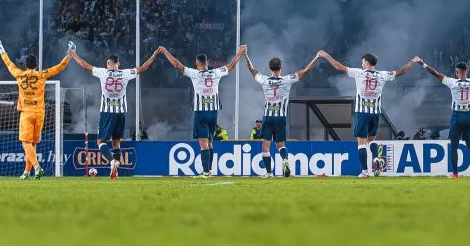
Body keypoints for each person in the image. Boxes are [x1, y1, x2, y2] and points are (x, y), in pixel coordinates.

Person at [318, 50, 421, 178]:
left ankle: (365, 172)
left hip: (362, 112)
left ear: (366, 63)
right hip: (375, 113)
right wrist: (413, 61)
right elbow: (401, 72)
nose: (361, 65)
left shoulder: (359, 73)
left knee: (361, 142)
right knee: (371, 139)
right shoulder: (382, 75)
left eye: (362, 62)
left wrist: (325, 55)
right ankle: (376, 159)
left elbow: (338, 67)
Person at [67, 47, 160, 180]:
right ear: (118, 64)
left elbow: (84, 65)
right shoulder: (125, 73)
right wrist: (155, 54)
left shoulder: (103, 72)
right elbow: (143, 67)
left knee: (100, 142)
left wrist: (73, 54)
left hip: (107, 112)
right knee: (116, 143)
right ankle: (115, 172)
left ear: (108, 63)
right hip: (121, 113)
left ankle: (112, 161)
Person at [159, 46, 244, 179]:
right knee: (210, 143)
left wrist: (165, 52)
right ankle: (209, 171)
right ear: (207, 63)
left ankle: (205, 173)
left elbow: (177, 64)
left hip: (201, 113)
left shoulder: (194, 73)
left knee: (203, 144)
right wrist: (240, 52)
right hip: (214, 112)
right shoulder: (216, 72)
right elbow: (232, 65)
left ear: (197, 64)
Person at [0, 38, 71, 180]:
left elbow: (8, 63)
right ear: (36, 65)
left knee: (25, 143)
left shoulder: (19, 74)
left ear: (25, 65)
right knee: (33, 144)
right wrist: (69, 55)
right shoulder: (42, 75)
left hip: (26, 113)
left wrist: (1, 49)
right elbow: (59, 67)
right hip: (40, 113)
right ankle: (26, 172)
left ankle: (37, 168)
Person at [242, 47, 321, 178]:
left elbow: (252, 70)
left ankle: (269, 173)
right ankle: (284, 160)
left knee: (266, 147)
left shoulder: (264, 80)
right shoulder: (287, 79)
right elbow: (305, 71)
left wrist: (245, 54)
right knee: (280, 145)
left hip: (268, 117)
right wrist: (317, 57)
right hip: (281, 118)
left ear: (270, 68)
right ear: (280, 68)